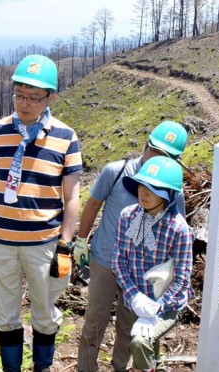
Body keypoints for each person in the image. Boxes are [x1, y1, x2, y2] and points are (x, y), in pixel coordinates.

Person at [0, 54, 82, 372]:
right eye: (20, 94)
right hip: (1, 241)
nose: (25, 103)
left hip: (44, 243)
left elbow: (72, 195)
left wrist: (65, 243)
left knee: (44, 313)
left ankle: (42, 367)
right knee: (4, 314)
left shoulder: (66, 137)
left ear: (50, 97)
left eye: (34, 97)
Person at [75, 120, 188, 372]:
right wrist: (81, 241)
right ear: (145, 144)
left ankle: (121, 368)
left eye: (167, 156)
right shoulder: (116, 171)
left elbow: (177, 228)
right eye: (155, 151)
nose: (157, 159)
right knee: (95, 320)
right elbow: (92, 205)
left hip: (140, 269)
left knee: (129, 325)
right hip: (105, 259)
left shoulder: (173, 191)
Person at [112, 156, 193, 371]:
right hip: (136, 299)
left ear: (168, 194)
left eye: (153, 188)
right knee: (151, 352)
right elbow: (118, 261)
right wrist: (134, 296)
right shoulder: (128, 216)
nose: (144, 192)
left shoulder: (178, 229)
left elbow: (182, 279)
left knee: (140, 342)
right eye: (142, 185)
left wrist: (157, 308)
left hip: (167, 305)